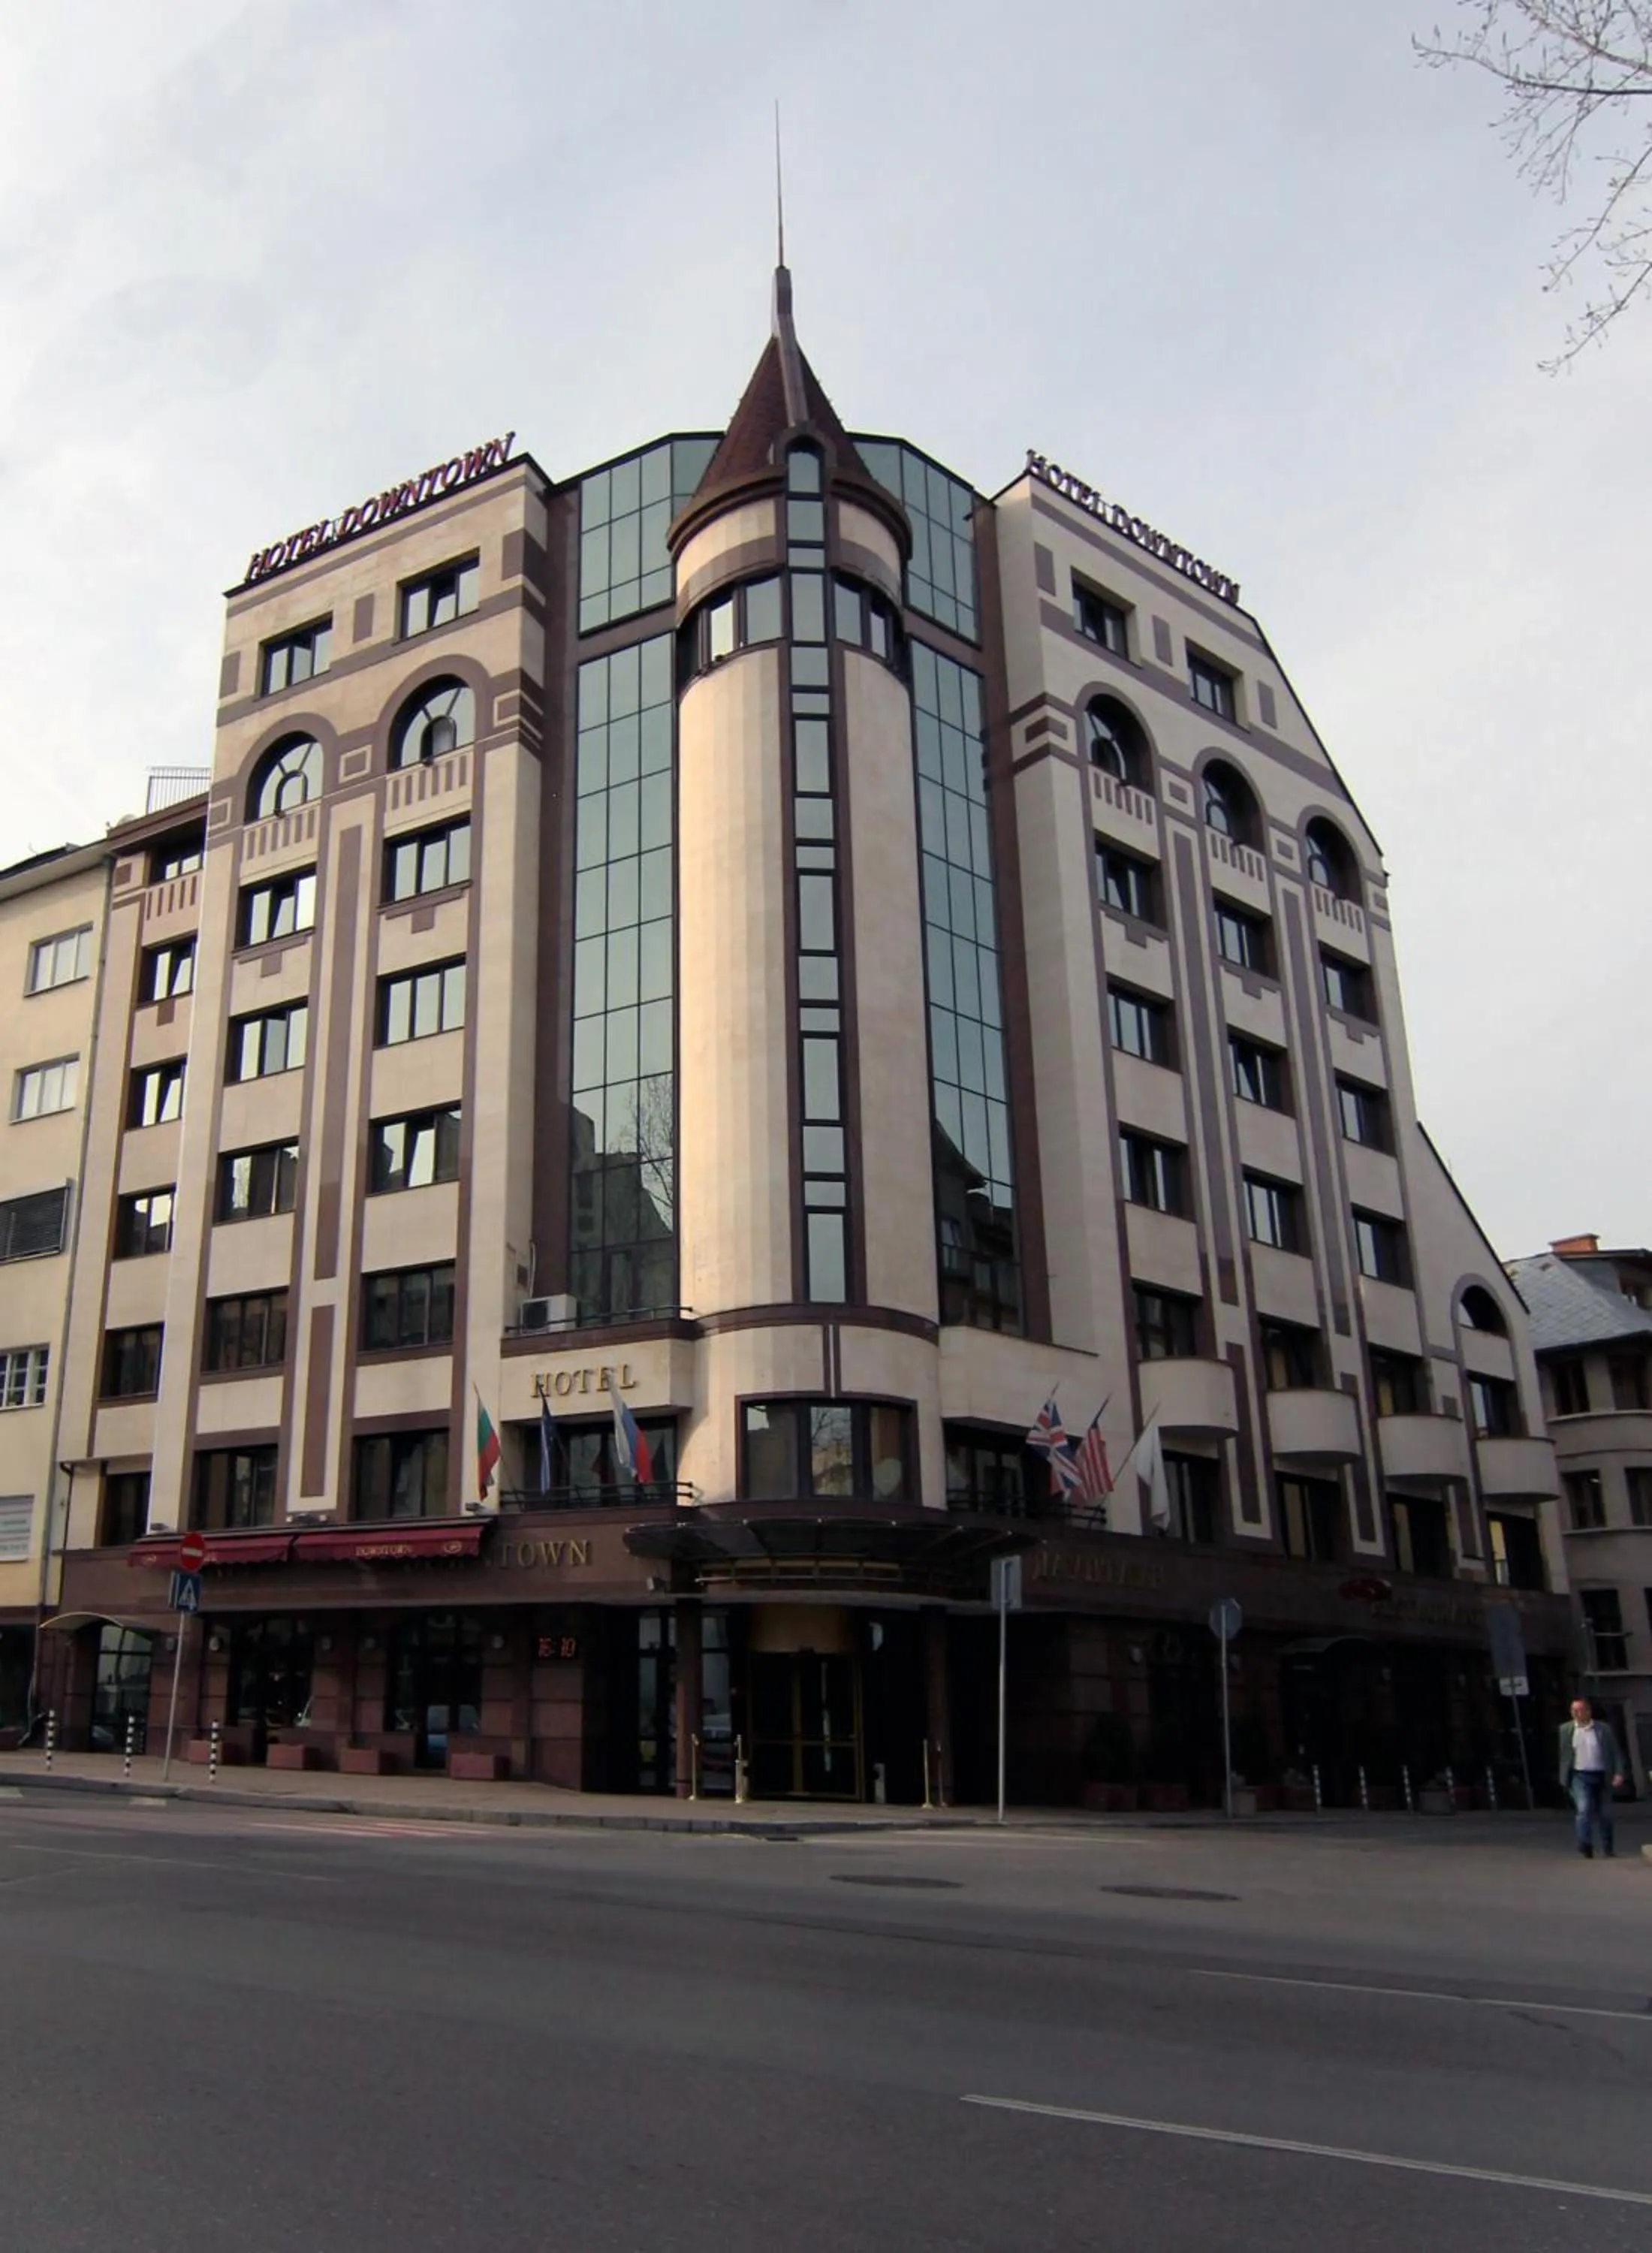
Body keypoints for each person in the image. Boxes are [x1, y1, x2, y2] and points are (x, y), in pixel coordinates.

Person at [1557, 1697, 1624, 1859]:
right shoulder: (1566, 1730)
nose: (1577, 1714)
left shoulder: (1603, 1729)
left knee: (1606, 1814)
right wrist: (1564, 1776)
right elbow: (1565, 1755)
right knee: (1583, 1809)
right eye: (1574, 1711)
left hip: (1602, 1775)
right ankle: (1585, 1844)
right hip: (1580, 1776)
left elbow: (1615, 1752)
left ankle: (1608, 1848)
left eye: (1580, 1710)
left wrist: (1619, 1773)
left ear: (1588, 1711)